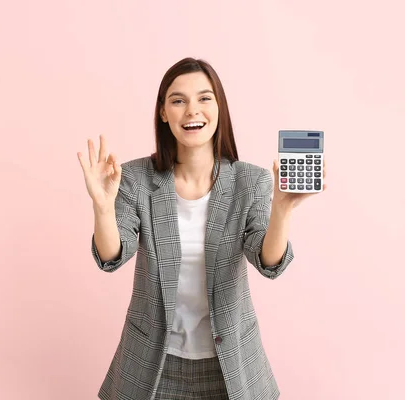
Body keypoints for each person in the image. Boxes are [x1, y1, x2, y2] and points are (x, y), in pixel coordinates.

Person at [77, 57, 326, 400]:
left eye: (204, 98)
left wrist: (281, 211)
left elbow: (268, 262)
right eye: (178, 100)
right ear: (164, 112)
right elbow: (112, 256)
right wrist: (102, 207)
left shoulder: (249, 181)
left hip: (229, 366)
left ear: (219, 107)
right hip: (153, 364)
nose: (192, 110)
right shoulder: (136, 179)